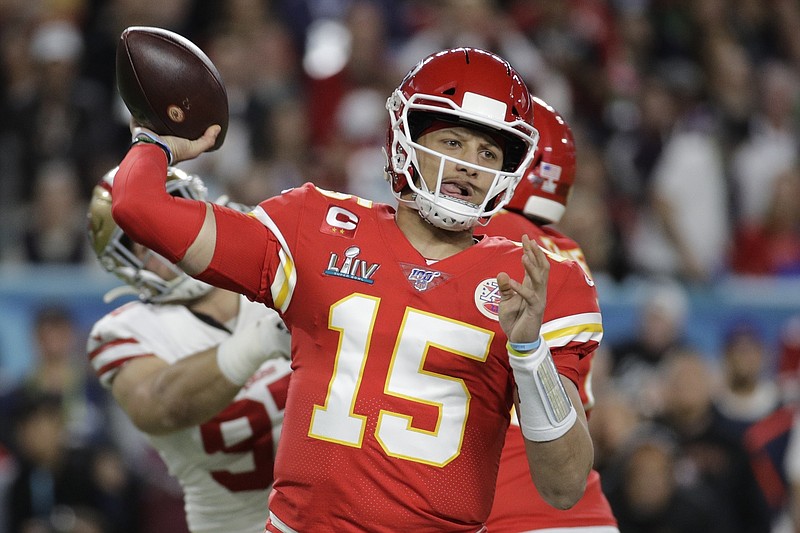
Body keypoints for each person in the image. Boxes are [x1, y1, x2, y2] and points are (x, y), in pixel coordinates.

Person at [109, 47, 602, 531]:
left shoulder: (541, 281)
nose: (471, 164)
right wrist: (156, 141)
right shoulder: (316, 226)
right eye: (453, 142)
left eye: (489, 151)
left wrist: (529, 352)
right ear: (405, 137)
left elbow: (563, 487)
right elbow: (139, 209)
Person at [85, 166, 293, 533]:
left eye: (172, 214)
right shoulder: (124, 330)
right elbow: (160, 405)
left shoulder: (273, 267)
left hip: (333, 510)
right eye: (144, 237)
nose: (165, 241)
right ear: (125, 261)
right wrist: (263, 342)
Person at [479, 97, 618, 532]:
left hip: (498, 507)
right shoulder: (568, 253)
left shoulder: (480, 240)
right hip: (581, 509)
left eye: (482, 150)